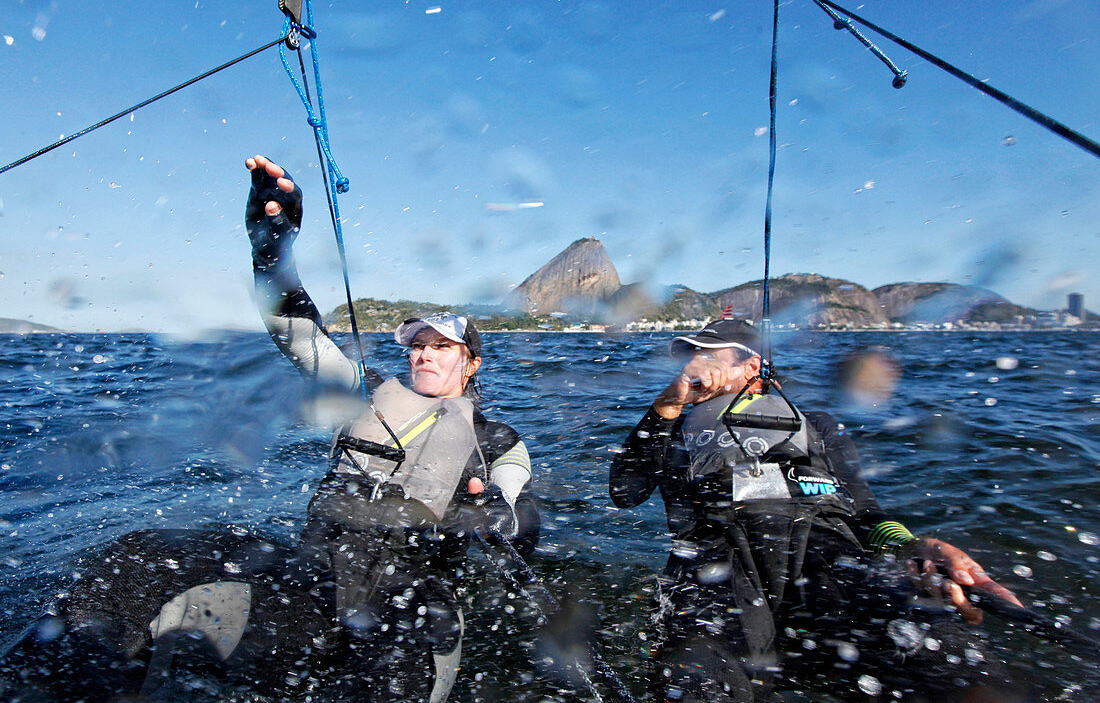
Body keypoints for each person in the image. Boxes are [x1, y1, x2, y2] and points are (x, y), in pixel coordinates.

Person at [609, 318, 1026, 702]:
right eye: (689, 358)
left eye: (709, 356)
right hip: (719, 560)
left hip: (824, 550)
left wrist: (911, 544)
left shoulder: (817, 425)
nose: (694, 367)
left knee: (950, 661)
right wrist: (666, 406)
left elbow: (863, 511)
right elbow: (624, 491)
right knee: (694, 683)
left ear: (751, 365)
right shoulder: (671, 427)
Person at [245, 154, 538, 701]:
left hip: (413, 597)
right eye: (418, 346)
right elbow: (295, 332)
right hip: (320, 572)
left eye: (441, 346)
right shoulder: (366, 387)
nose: (425, 355)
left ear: (470, 362)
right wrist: (271, 250)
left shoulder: (498, 439)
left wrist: (496, 510)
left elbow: (520, 507)